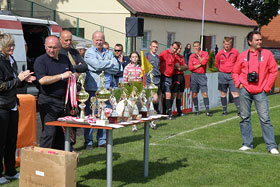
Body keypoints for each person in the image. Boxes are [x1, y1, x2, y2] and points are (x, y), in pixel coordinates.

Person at [232, 30, 279, 154]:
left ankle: (271, 146)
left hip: (260, 91)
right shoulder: (242, 56)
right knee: (244, 117)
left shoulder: (267, 54)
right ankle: (247, 143)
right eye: (257, 40)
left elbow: (274, 71)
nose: (259, 42)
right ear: (250, 42)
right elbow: (235, 71)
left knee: (265, 119)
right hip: (245, 90)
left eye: (260, 39)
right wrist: (239, 84)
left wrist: (266, 88)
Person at [0, 33, 35, 184]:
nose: (12, 48)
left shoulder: (11, 59)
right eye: (9, 45)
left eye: (13, 45)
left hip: (13, 104)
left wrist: (24, 80)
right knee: (0, 141)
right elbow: (1, 86)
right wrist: (18, 80)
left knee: (11, 140)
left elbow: (14, 82)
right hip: (2, 105)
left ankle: (10, 171)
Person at [34, 35, 73, 150]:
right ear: (45, 47)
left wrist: (74, 76)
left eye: (54, 47)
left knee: (62, 133)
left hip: (64, 101)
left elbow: (72, 72)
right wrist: (61, 76)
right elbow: (42, 80)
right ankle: (43, 162)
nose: (51, 50)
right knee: (49, 133)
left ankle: (59, 161)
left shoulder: (64, 59)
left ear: (59, 47)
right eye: (49, 47)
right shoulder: (40, 61)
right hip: (48, 102)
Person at [84, 31, 119, 149]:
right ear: (93, 40)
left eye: (101, 40)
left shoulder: (108, 52)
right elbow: (96, 65)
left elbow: (117, 67)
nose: (99, 42)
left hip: (106, 89)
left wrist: (102, 65)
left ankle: (102, 140)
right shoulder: (89, 53)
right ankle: (88, 141)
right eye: (97, 40)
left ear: (103, 40)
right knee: (91, 114)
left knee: (104, 114)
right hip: (93, 88)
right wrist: (109, 64)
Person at [215, 37, 240, 116]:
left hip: (232, 75)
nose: (226, 46)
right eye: (225, 44)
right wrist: (222, 69)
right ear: (223, 44)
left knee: (235, 93)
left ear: (231, 44)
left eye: (228, 44)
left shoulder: (235, 52)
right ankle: (225, 111)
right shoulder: (219, 53)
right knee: (223, 93)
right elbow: (216, 63)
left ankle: (239, 110)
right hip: (222, 75)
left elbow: (239, 62)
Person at [188, 41, 212, 116]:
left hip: (202, 75)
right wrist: (199, 65)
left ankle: (207, 111)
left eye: (197, 46)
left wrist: (198, 55)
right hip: (194, 76)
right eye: (194, 46)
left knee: (204, 93)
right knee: (194, 93)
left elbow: (204, 63)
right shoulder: (191, 56)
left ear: (199, 47)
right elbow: (190, 68)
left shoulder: (205, 53)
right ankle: (197, 110)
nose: (195, 48)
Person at [159, 42, 179, 119]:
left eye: (176, 49)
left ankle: (165, 112)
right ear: (170, 46)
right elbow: (158, 61)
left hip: (170, 77)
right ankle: (170, 114)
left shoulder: (174, 56)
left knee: (167, 96)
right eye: (174, 48)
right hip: (164, 77)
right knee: (168, 95)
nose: (175, 50)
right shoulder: (164, 53)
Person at [123, 51, 142, 132]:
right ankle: (134, 125)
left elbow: (142, 78)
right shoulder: (127, 68)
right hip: (131, 90)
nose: (134, 58)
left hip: (138, 89)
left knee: (142, 105)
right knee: (133, 107)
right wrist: (125, 91)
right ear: (130, 58)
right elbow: (125, 80)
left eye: (136, 56)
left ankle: (149, 121)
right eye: (133, 57)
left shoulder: (140, 67)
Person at [145, 40, 161, 129]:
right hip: (148, 82)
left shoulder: (158, 57)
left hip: (156, 81)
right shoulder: (146, 56)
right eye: (154, 46)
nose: (155, 48)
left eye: (156, 47)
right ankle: (151, 119)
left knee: (154, 100)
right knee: (152, 99)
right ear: (150, 46)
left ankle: (152, 117)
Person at [172, 42, 188, 116]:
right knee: (174, 94)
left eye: (180, 48)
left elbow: (185, 67)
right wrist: (183, 67)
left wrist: (182, 67)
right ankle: (169, 111)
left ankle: (179, 111)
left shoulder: (181, 57)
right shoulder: (174, 56)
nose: (179, 50)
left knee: (180, 94)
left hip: (182, 76)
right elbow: (179, 67)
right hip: (176, 76)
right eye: (178, 48)